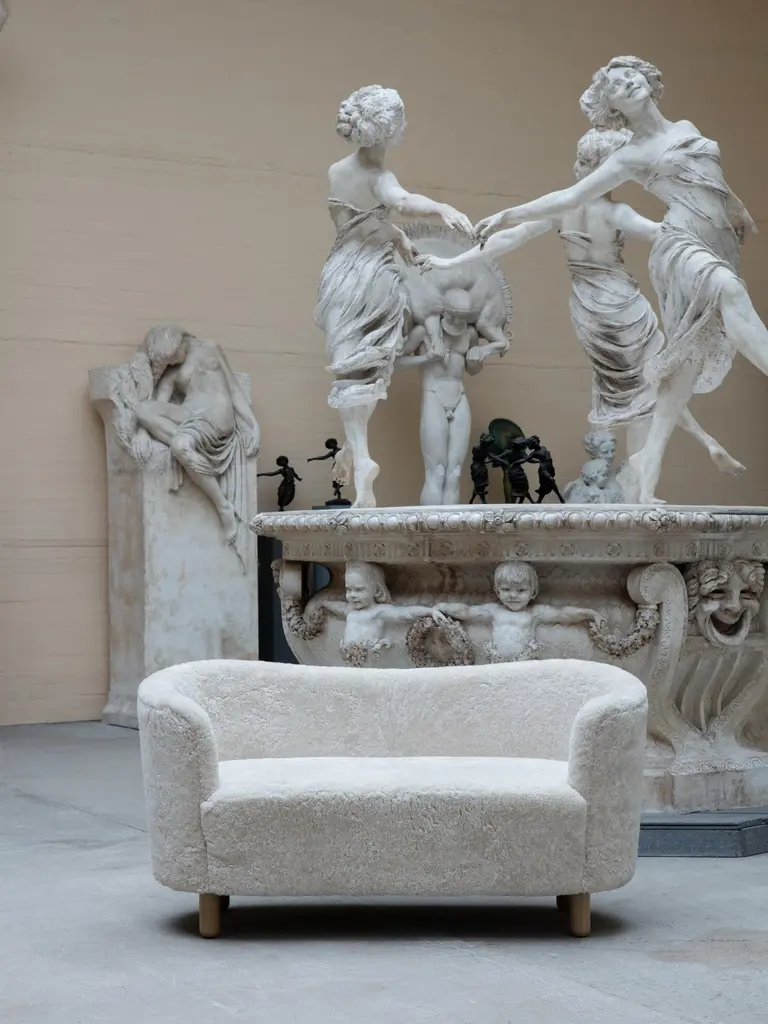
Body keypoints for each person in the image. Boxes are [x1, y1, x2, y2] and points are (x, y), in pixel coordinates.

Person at [475, 56, 765, 502]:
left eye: (630, 74)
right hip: (679, 245)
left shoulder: (686, 127)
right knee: (728, 292)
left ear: (647, 79)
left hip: (716, 241)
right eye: (614, 84)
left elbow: (710, 181)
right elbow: (568, 197)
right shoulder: (629, 156)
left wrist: (736, 208)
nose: (627, 82)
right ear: (611, 107)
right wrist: (506, 214)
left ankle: (648, 465)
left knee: (683, 366)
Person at [419, 127, 744, 486]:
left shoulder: (563, 208)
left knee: (637, 385)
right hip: (621, 301)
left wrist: (451, 261)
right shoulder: (616, 212)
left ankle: (669, 462)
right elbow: (664, 235)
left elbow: (510, 238)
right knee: (652, 381)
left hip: (588, 308)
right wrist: (710, 229)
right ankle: (666, 464)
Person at [316, 85, 472, 509]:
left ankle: (359, 452)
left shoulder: (336, 171)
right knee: (366, 365)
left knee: (350, 368)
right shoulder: (381, 178)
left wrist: (399, 238)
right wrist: (441, 208)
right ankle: (359, 456)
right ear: (387, 129)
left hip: (340, 274)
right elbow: (400, 201)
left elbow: (359, 220)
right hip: (373, 276)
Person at [134, 324, 260, 569]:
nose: (173, 363)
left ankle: (223, 505)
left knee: (181, 446)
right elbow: (157, 404)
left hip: (216, 415)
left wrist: (253, 424)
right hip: (189, 415)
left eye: (173, 357)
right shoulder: (171, 371)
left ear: (178, 342)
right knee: (143, 410)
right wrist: (141, 432)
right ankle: (188, 445)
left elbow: (234, 390)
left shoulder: (210, 348)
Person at [397, 290, 506, 505]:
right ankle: (431, 524)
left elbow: (472, 369)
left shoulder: (469, 334)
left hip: (459, 395)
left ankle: (450, 524)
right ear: (445, 312)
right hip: (434, 394)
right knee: (436, 470)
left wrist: (475, 359)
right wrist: (426, 358)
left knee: (454, 472)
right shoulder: (424, 332)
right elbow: (396, 363)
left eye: (462, 319)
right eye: (454, 317)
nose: (457, 323)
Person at [437, 562, 602, 662]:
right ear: (497, 591)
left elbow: (562, 614)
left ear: (533, 592)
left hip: (524, 662)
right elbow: (466, 611)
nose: (513, 595)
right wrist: (440, 607)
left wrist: (589, 613)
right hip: (497, 662)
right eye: (506, 589)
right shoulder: (494, 611)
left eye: (521, 590)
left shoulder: (534, 612)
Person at [317, 561, 446, 665]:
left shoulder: (378, 612)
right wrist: (323, 603)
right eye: (348, 589)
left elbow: (405, 613)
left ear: (376, 591)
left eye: (359, 590)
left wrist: (430, 611)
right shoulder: (350, 611)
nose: (352, 595)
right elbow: (336, 606)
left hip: (370, 660)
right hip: (349, 659)